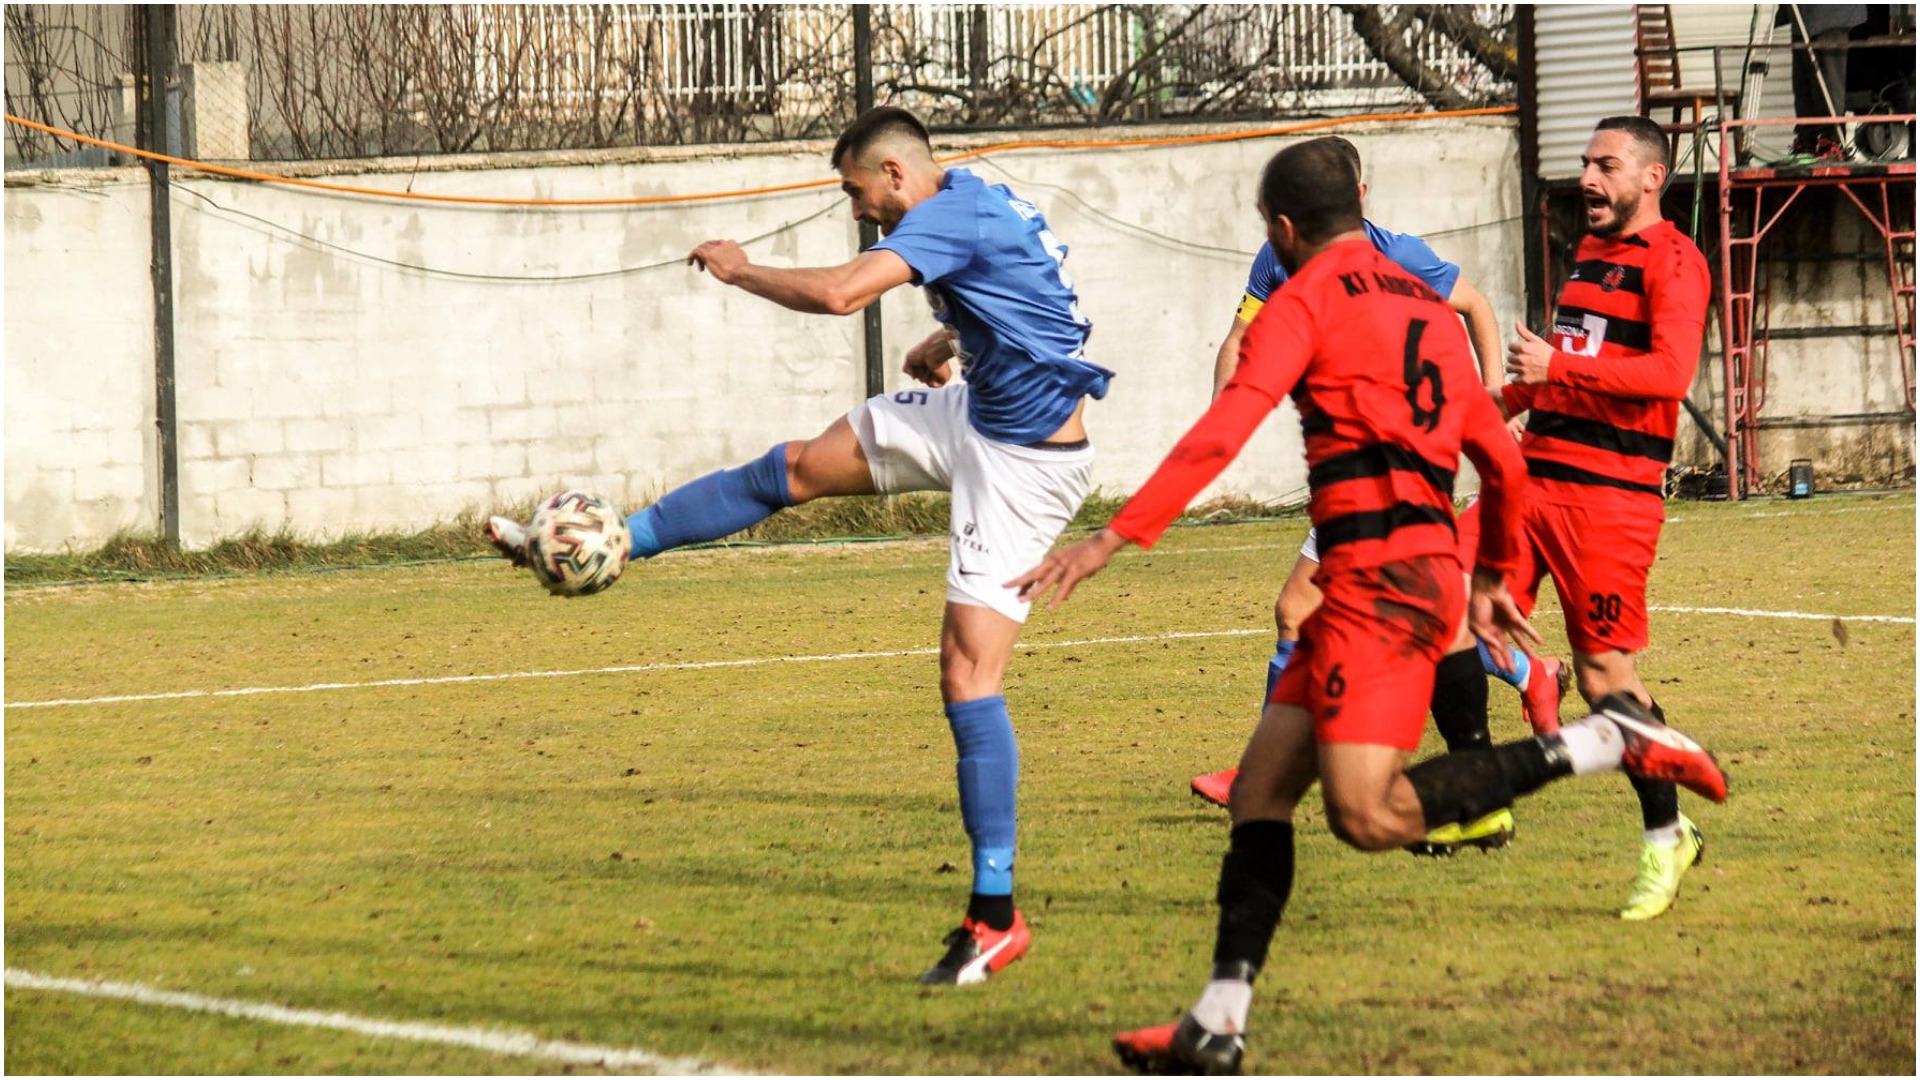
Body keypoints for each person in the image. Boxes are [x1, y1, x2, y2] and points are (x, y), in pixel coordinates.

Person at [1008, 137, 1728, 1075]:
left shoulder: (1300, 301)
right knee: (1261, 794)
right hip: (1395, 578)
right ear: (1360, 201)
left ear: (1281, 228)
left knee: (1369, 816)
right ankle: (1216, 1023)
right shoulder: (1422, 303)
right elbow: (1503, 460)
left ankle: (1601, 740)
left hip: (1383, 590)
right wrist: (1490, 572)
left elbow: (1222, 431)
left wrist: (1112, 536)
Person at [488, 106, 1113, 985]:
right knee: (796, 468)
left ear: (895, 174)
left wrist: (742, 271)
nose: (857, 210)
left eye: (856, 192)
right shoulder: (969, 197)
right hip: (981, 412)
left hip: (1025, 464)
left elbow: (840, 294)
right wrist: (954, 338)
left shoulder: (947, 211)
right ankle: (619, 542)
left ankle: (995, 916)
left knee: (968, 674)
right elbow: (1038, 293)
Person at [1189, 137, 1571, 862]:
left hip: (1401, 466)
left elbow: (1476, 306)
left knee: (1322, 610)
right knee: (1402, 612)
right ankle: (1525, 687)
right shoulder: (1281, 255)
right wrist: (1223, 419)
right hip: (1348, 467)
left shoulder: (1399, 255)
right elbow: (1241, 334)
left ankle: (1300, 773)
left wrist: (1492, 399)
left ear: (1361, 195)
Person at [1500, 115, 1715, 921]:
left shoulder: (1676, 262)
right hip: (1532, 483)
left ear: (1651, 178)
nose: (1587, 178)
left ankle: (1668, 838)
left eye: (1607, 165)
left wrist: (1560, 365)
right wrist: (1495, 408)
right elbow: (1558, 364)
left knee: (1604, 681)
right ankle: (1479, 800)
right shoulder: (1590, 253)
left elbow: (1667, 374)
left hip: (1609, 502)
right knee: (1444, 612)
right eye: (1585, 163)